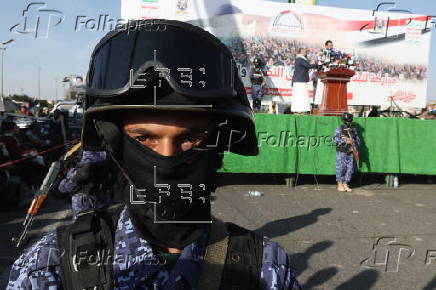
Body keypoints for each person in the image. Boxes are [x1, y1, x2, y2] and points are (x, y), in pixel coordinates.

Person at [8, 20, 301, 290]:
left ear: (219, 145)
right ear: (115, 143)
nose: (167, 158)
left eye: (190, 138)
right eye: (145, 138)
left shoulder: (266, 267)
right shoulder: (50, 266)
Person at [333, 113, 361, 192]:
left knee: (349, 168)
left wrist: (354, 141)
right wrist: (345, 140)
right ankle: (340, 184)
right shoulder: (339, 129)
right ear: (343, 120)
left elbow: (358, 142)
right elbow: (335, 139)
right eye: (346, 120)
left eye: (349, 120)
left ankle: (345, 183)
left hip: (351, 152)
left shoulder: (353, 130)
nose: (348, 122)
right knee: (341, 168)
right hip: (342, 151)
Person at [292, 47, 317, 114]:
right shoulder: (300, 59)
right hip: (300, 80)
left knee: (301, 95)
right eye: (305, 51)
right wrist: (317, 65)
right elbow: (308, 66)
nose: (306, 52)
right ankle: (299, 110)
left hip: (300, 80)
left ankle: (300, 110)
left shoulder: (300, 59)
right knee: (301, 96)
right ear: (301, 52)